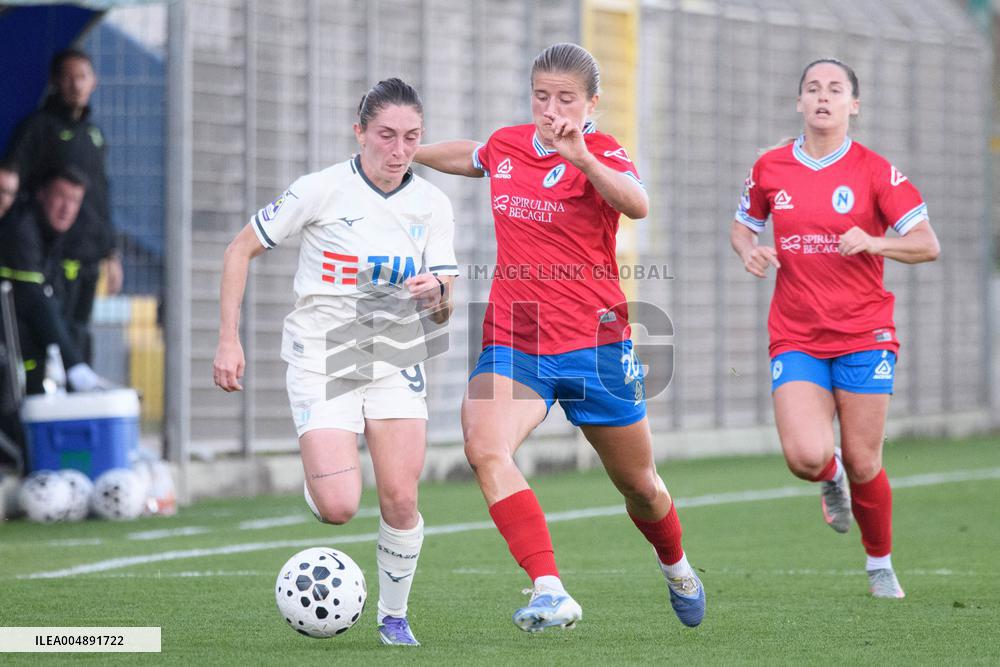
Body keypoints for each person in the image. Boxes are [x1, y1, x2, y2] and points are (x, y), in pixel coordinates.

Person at [414, 43, 705, 632]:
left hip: (596, 347)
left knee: (641, 487)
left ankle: (676, 565)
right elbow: (471, 156)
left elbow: (637, 203)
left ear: (591, 102)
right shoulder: (508, 145)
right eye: (541, 95)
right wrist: (403, 152)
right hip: (516, 340)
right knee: (484, 446)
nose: (552, 108)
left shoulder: (602, 151)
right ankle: (548, 587)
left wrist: (583, 158)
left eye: (566, 97)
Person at [213, 78, 459, 646]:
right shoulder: (319, 189)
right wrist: (228, 339)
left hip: (395, 355)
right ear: (360, 133)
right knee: (341, 507)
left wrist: (437, 296)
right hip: (324, 354)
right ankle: (322, 481)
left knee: (401, 497)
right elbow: (238, 249)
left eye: (412, 138)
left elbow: (444, 309)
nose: (399, 151)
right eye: (387, 136)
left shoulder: (432, 204)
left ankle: (394, 619)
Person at [730, 59, 941, 599]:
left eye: (835, 89)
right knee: (804, 455)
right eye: (812, 88)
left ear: (854, 105)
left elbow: (926, 244)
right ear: (799, 102)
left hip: (864, 333)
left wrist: (876, 242)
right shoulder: (770, 167)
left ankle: (879, 564)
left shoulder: (875, 171)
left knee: (867, 458)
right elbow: (743, 226)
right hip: (797, 333)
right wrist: (750, 250)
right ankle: (829, 476)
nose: (823, 97)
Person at [4, 48, 123, 366]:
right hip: (55, 258)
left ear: (94, 81)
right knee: (53, 336)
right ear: (56, 82)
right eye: (68, 77)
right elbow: (13, 181)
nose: (75, 84)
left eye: (82, 76)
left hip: (90, 258)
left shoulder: (94, 134)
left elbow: (102, 195)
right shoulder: (39, 128)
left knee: (80, 334)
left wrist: (111, 254)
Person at [0, 166, 112, 395]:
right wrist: (73, 364)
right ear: (42, 194)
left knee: (77, 330)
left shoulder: (70, 236)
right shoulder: (21, 228)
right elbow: (33, 299)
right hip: (14, 342)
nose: (66, 208)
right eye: (61, 196)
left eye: (74, 200)